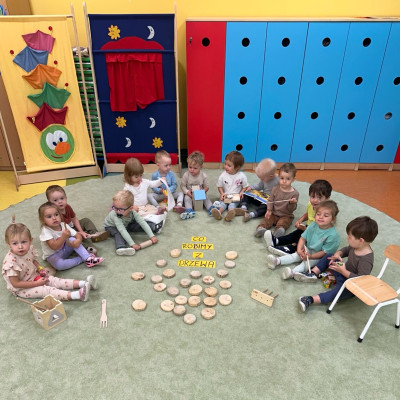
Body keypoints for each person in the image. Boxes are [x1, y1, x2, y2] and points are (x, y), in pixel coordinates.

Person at [298, 216, 378, 312]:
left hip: (351, 284)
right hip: (342, 271)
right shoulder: (356, 246)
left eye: (350, 237)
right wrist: (338, 254)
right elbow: (346, 250)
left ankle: (310, 300)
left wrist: (344, 271)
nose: (347, 238)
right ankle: (313, 273)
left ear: (361, 240)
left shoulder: (366, 260)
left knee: (337, 293)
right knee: (330, 255)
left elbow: (361, 280)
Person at [2, 222, 96, 301]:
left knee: (55, 280)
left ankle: (84, 283)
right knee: (46, 290)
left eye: (23, 242)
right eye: (15, 243)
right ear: (8, 243)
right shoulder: (11, 263)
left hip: (34, 277)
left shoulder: (28, 249)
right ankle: (76, 295)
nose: (20, 246)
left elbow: (33, 261)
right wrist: (36, 284)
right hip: (22, 288)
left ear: (30, 240)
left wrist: (40, 268)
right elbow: (16, 283)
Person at [266, 200, 340, 281]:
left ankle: (292, 272)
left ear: (333, 219)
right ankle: (277, 261)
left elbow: (324, 253)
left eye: (325, 216)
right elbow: (303, 238)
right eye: (318, 214)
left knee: (306, 263)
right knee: (295, 255)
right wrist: (299, 249)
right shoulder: (313, 225)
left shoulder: (333, 235)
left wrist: (310, 256)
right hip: (308, 249)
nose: (321, 217)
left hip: (319, 256)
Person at [265, 179, 332, 255]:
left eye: (319, 198)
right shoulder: (311, 204)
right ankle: (277, 241)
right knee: (295, 233)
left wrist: (305, 230)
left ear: (327, 198)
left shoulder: (326, 212)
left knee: (302, 239)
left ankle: (290, 249)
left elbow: (319, 232)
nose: (315, 200)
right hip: (309, 227)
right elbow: (308, 214)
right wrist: (301, 220)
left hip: (318, 234)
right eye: (313, 196)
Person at [39, 202, 104, 270]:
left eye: (56, 214)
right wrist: (63, 237)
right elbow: (54, 247)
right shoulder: (46, 231)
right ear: (42, 220)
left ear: (60, 215)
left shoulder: (64, 225)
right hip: (53, 255)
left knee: (72, 239)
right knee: (59, 265)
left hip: (65, 248)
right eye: (49, 216)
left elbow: (77, 235)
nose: (54, 218)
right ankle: (82, 259)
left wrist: (78, 240)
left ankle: (88, 258)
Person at [104, 190, 158, 256]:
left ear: (130, 208)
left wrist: (152, 236)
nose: (117, 212)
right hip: (111, 226)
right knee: (118, 233)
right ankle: (121, 247)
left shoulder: (133, 212)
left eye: (121, 209)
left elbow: (142, 222)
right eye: (115, 208)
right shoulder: (115, 215)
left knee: (138, 224)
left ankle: (154, 227)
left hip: (126, 224)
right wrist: (132, 244)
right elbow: (122, 230)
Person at [255, 162, 299, 238]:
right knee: (267, 220)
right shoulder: (275, 189)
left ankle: (279, 231)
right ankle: (260, 229)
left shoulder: (295, 193)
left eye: (288, 179)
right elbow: (270, 200)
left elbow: (291, 210)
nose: (284, 181)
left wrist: (292, 203)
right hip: (274, 213)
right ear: (278, 177)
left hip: (286, 215)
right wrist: (269, 210)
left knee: (284, 222)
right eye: (282, 178)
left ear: (293, 180)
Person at [123, 157, 167, 228]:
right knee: (136, 214)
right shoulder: (128, 187)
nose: (139, 178)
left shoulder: (144, 182)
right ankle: (150, 218)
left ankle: (149, 217)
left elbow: (153, 184)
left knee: (155, 209)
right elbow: (125, 199)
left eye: (141, 175)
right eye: (136, 177)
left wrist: (160, 181)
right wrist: (132, 207)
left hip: (145, 206)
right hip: (136, 208)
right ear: (128, 176)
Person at [210, 150, 250, 222]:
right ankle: (219, 212)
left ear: (237, 167)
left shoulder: (242, 176)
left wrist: (241, 192)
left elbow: (245, 186)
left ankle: (230, 214)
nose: (226, 167)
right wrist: (222, 193)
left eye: (229, 165)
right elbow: (219, 186)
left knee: (232, 205)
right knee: (222, 204)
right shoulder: (223, 175)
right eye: (225, 164)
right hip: (226, 196)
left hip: (235, 197)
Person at [240, 158, 279, 222]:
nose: (261, 179)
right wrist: (251, 187)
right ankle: (243, 207)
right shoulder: (265, 177)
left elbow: (284, 192)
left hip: (270, 202)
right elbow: (260, 186)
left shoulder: (279, 180)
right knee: (247, 193)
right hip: (262, 197)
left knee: (266, 208)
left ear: (271, 176)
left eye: (262, 178)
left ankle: (252, 214)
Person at [180, 151, 212, 219]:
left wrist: (203, 191)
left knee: (206, 198)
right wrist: (187, 192)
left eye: (195, 168)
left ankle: (211, 208)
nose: (192, 170)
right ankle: (189, 210)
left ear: (200, 167)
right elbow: (182, 186)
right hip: (190, 193)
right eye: (190, 167)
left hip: (199, 192)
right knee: (186, 199)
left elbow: (206, 187)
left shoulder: (203, 175)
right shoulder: (186, 175)